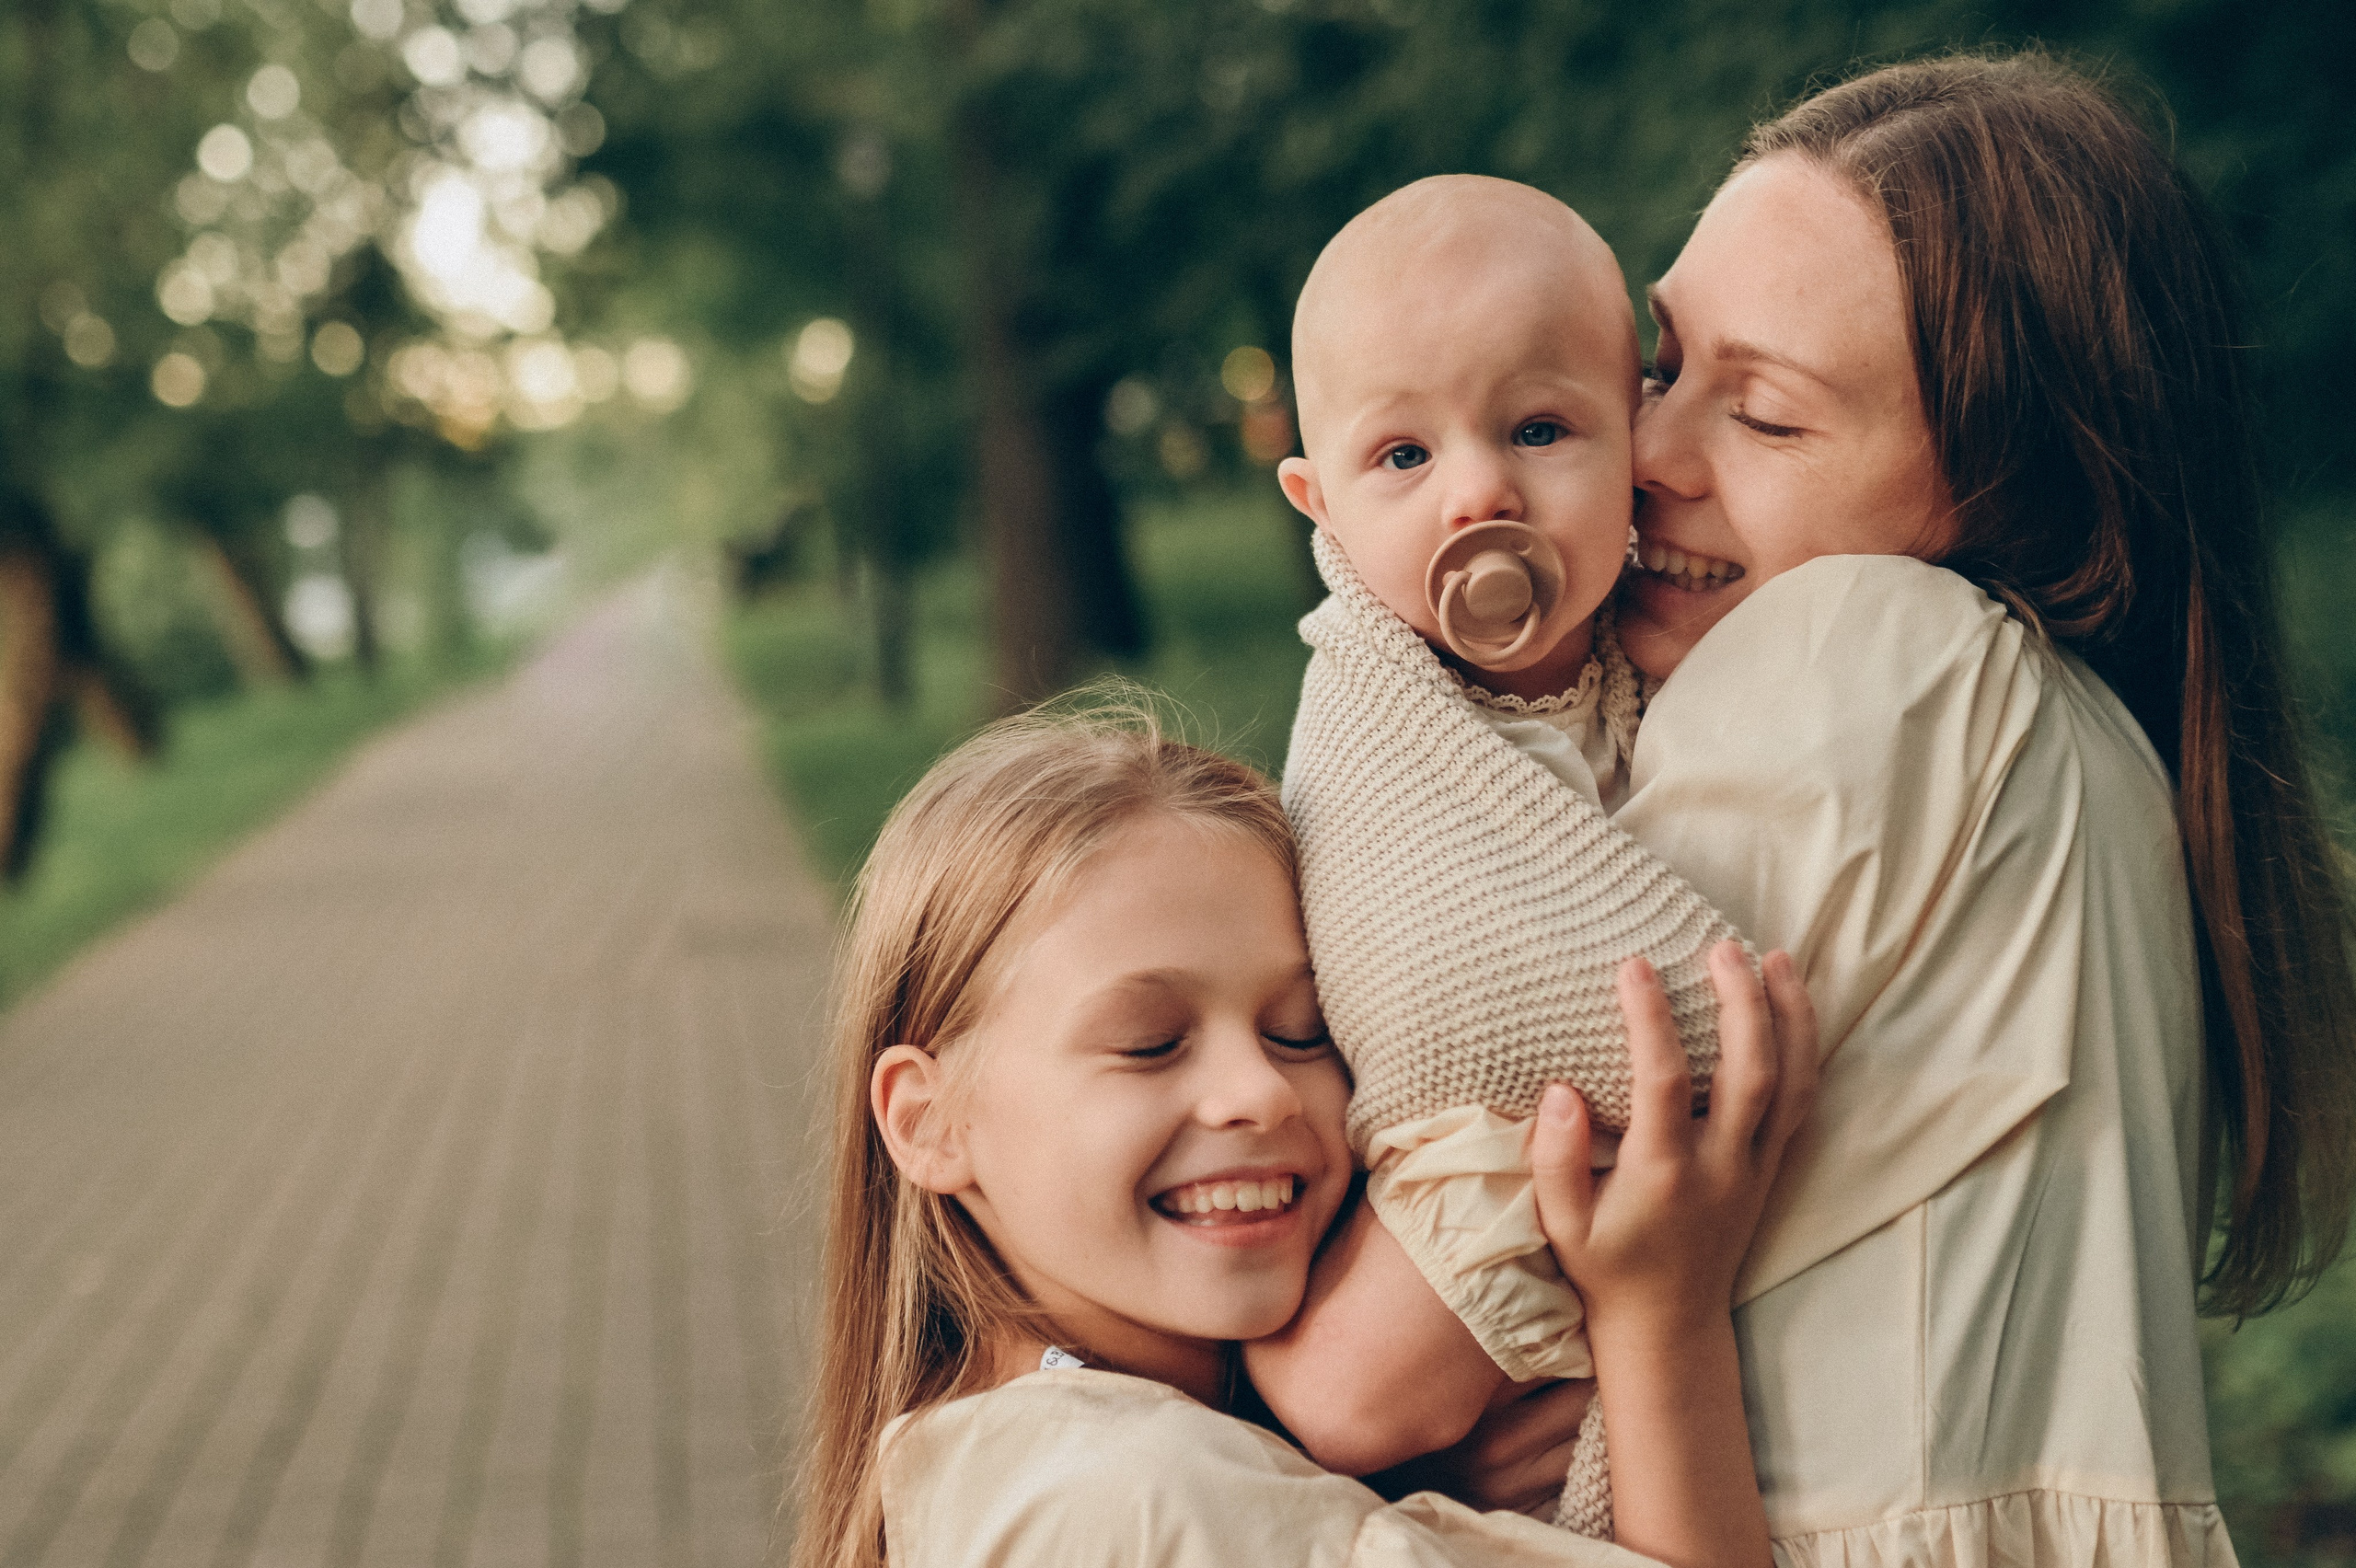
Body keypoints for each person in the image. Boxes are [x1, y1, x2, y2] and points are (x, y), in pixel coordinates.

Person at [1599, 50, 2356, 1562]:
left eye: (1768, 415)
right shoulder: (2098, 759)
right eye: (1661, 362)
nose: (1645, 452)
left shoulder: (1866, 657)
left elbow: (1394, 1346)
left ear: (2020, 497)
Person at [788, 701, 1819, 1568]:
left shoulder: (1033, 1469)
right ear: (928, 1125)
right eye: (1150, 1044)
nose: (1260, 1093)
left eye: (1302, 1031)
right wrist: (1661, 1313)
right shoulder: (1143, 1500)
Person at [1255, 173, 1750, 1534]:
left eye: (1539, 428)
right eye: (1403, 458)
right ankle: (1252, 1424)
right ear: (1323, 504)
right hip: (1448, 1138)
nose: (1479, 491)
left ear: (1633, 447)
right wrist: (1710, 1018)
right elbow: (1445, 966)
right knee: (1360, 1407)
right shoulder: (1377, 698)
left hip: (1574, 1174)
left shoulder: (1655, 652)